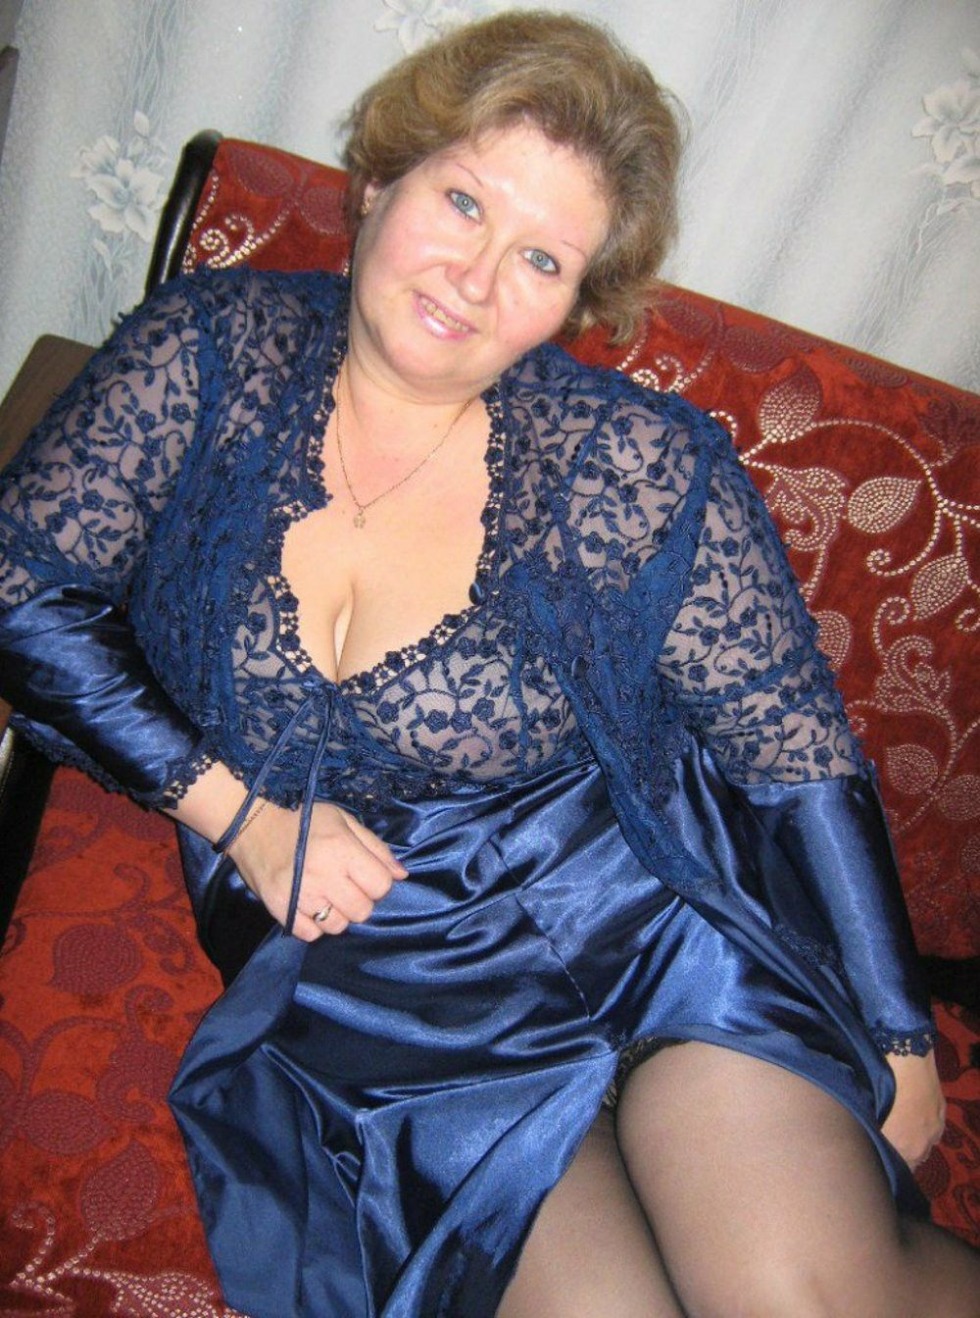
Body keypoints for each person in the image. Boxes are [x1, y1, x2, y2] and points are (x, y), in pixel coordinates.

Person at [0, 10, 978, 1315]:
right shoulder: (206, 353)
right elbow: (20, 586)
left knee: (795, 1292)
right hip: (391, 994)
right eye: (462, 201)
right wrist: (238, 815)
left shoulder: (628, 465)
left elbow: (792, 752)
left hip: (647, 930)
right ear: (377, 181)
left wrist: (901, 1033)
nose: (473, 276)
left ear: (575, 303)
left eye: (540, 257)